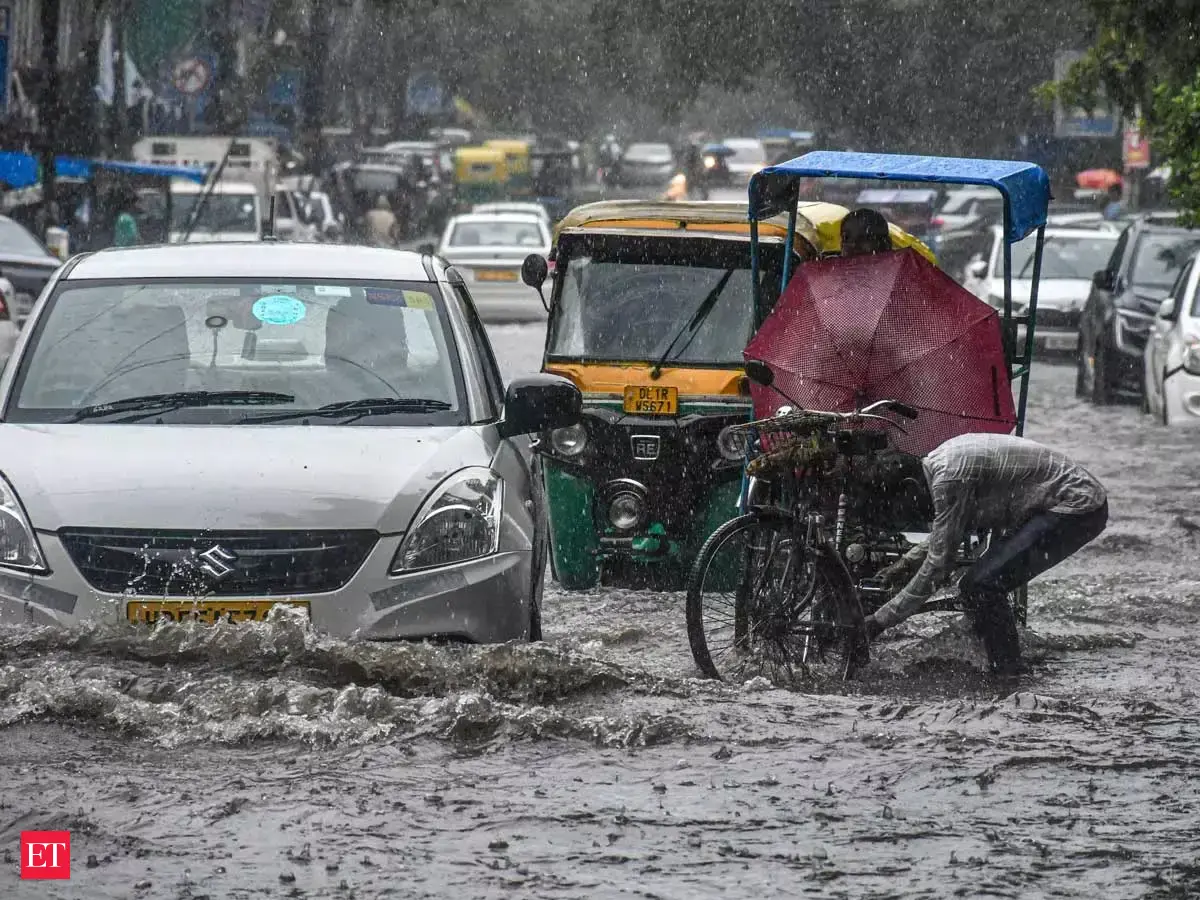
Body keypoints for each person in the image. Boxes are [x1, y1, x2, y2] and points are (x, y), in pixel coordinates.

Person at [864, 433, 1108, 674]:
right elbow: (946, 534)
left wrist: (879, 621)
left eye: (901, 505)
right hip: (1054, 500)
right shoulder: (940, 464)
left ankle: (1008, 672)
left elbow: (939, 566)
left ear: (910, 486)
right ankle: (990, 653)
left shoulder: (949, 481)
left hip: (1077, 505)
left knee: (982, 585)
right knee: (977, 586)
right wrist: (904, 565)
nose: (906, 513)